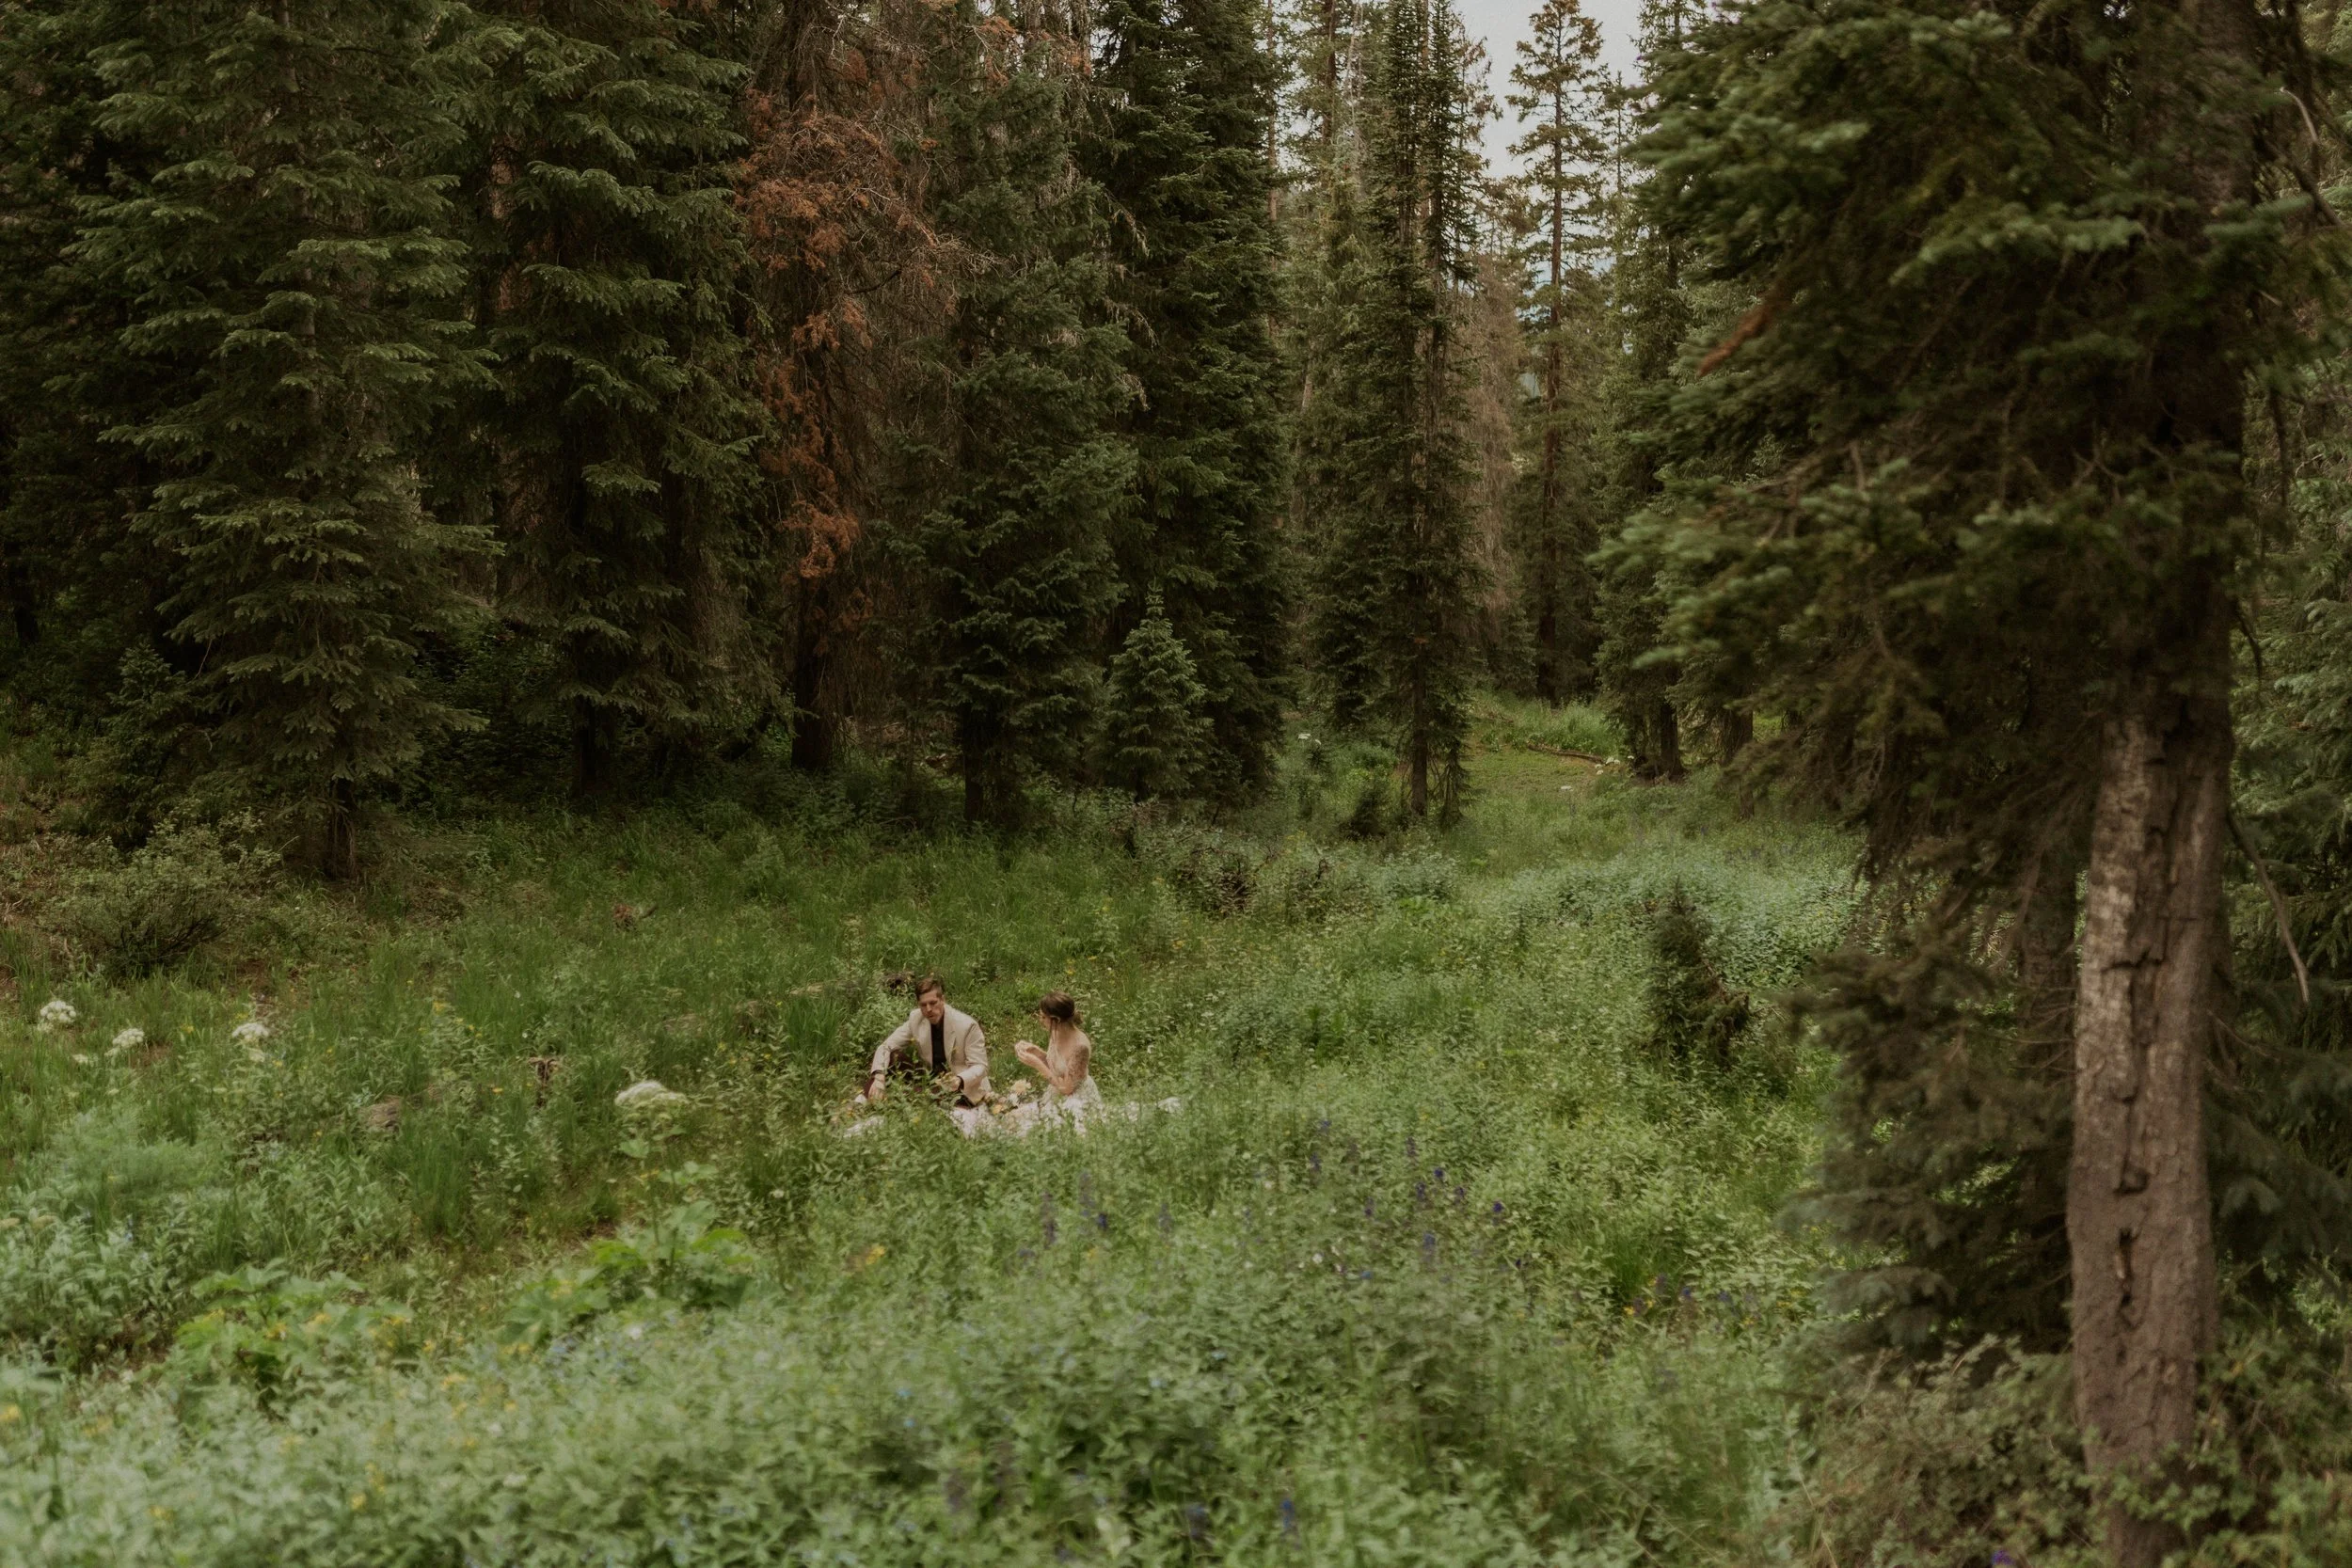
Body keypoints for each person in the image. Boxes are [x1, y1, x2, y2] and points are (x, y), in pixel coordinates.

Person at [863, 975, 990, 1107]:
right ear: (918, 1004)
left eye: (933, 1003)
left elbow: (981, 1066)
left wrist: (960, 1080)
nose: (928, 1009)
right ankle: (866, 1098)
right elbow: (886, 1046)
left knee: (924, 1096)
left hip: (960, 1086)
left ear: (943, 1000)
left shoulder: (967, 1025)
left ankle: (894, 1099)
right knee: (894, 1057)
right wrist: (879, 1076)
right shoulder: (916, 1018)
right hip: (931, 1078)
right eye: (923, 1005)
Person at [1009, 991, 1101, 1132]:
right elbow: (1058, 1066)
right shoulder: (1055, 1031)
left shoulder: (1080, 1047)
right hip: (1057, 1092)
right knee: (1014, 1119)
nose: (1040, 1020)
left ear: (1056, 1020)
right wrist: (1038, 1053)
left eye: (1043, 1016)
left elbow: (1067, 1089)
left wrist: (1037, 1064)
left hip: (1075, 1100)